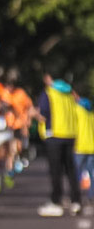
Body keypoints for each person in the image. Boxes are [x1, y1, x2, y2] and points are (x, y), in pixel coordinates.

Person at [36, 74, 81, 216]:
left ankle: (56, 201)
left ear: (49, 78)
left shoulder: (49, 93)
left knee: (56, 171)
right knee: (71, 170)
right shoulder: (69, 93)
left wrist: (34, 115)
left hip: (54, 135)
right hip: (70, 135)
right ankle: (76, 200)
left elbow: (43, 114)